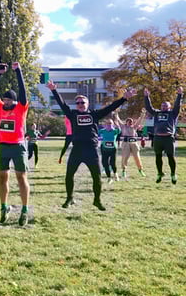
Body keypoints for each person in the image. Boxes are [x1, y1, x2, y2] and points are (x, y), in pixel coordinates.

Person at [48, 80, 135, 210]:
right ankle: (69, 198)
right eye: (78, 103)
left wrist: (124, 98)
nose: (80, 105)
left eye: (82, 102)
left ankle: (97, 200)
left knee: (96, 176)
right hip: (77, 149)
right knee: (69, 175)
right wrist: (53, 90)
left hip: (91, 150)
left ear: (87, 104)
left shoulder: (94, 114)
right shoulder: (72, 114)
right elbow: (62, 104)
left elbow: (110, 107)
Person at [0, 63, 32, 226]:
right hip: (3, 146)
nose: (5, 102)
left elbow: (23, 92)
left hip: (18, 147)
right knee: (2, 178)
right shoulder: (0, 107)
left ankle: (24, 210)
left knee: (21, 177)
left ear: (14, 100)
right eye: (4, 99)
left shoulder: (21, 108)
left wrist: (18, 71)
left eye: (8, 100)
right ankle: (4, 207)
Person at [144, 86, 182, 184]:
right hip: (157, 138)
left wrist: (179, 95)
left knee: (170, 157)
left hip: (168, 138)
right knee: (158, 156)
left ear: (169, 107)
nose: (163, 107)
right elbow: (149, 108)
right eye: (162, 105)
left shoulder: (173, 113)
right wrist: (146, 97)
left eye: (165, 106)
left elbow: (177, 105)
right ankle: (159, 173)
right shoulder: (157, 113)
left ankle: (173, 174)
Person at [113, 109, 146, 179]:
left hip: (134, 143)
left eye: (131, 121)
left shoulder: (134, 127)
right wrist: (116, 113)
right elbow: (118, 119)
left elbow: (139, 120)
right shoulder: (123, 126)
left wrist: (143, 114)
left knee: (137, 157)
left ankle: (140, 170)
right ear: (126, 122)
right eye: (129, 121)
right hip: (126, 143)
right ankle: (123, 171)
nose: (130, 122)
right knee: (125, 157)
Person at [98, 119, 121, 184]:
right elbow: (95, 132)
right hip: (104, 149)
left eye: (110, 123)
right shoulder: (102, 131)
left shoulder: (114, 131)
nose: (109, 124)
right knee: (105, 163)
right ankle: (109, 178)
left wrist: (117, 124)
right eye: (108, 123)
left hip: (113, 149)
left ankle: (115, 174)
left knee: (112, 163)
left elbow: (119, 130)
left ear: (112, 124)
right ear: (105, 124)